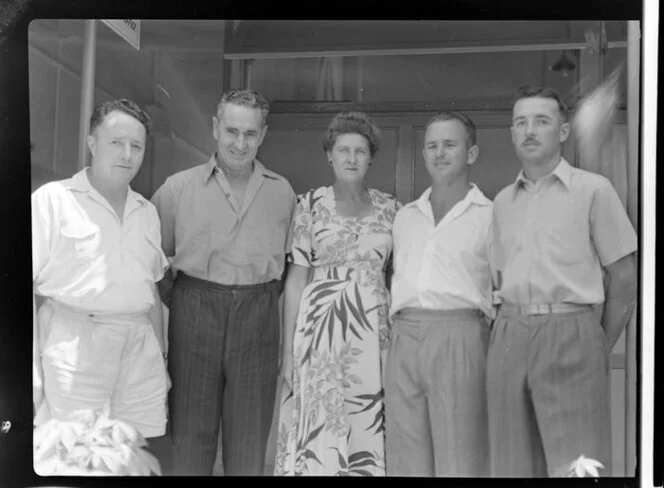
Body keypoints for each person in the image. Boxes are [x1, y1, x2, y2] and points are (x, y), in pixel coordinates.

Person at [487, 86, 638, 477]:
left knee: (577, 463)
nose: (529, 131)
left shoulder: (594, 190)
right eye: (521, 122)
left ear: (564, 131)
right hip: (510, 331)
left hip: (572, 330)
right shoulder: (502, 201)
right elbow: (498, 275)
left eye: (542, 121)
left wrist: (598, 343)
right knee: (511, 461)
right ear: (511, 133)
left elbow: (623, 275)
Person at [150, 88, 297, 476]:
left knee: (249, 441)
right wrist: (187, 299)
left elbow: (286, 266)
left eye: (250, 133)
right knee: (189, 437)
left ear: (262, 135)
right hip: (195, 309)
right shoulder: (177, 189)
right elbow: (152, 261)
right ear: (216, 128)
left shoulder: (283, 192)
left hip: (258, 315)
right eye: (232, 131)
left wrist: (253, 298)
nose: (240, 142)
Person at [32, 98, 170, 442]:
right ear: (92, 143)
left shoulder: (147, 212)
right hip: (76, 348)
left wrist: (161, 359)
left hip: (139, 353)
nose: (127, 154)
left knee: (133, 455)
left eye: (135, 146)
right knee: (77, 457)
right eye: (116, 142)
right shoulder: (53, 200)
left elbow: (150, 290)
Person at [274, 112, 401, 476]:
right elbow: (295, 280)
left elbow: (398, 276)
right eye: (342, 150)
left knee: (367, 422)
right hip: (320, 334)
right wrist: (287, 353)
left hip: (373, 333)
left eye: (360, 151)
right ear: (329, 155)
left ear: (370, 157)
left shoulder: (392, 209)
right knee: (322, 425)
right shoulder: (309, 204)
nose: (351, 158)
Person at [385, 111, 492, 477]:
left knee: (460, 453)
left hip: (461, 336)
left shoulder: (490, 216)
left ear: (471, 153)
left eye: (450, 144)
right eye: (432, 146)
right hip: (404, 337)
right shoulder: (405, 216)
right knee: (405, 453)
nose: (439, 153)